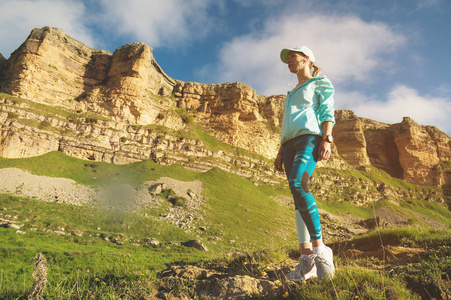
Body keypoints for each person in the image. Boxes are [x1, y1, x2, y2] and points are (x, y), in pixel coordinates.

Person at [274, 46, 335, 281]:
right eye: (287, 58)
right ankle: (306, 259)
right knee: (296, 196)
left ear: (306, 58)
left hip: (309, 139)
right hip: (289, 145)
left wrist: (327, 138)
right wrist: (280, 150)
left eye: (293, 56)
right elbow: (285, 124)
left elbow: (326, 109)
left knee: (300, 184)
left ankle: (321, 250)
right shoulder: (289, 94)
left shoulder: (320, 82)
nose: (289, 60)